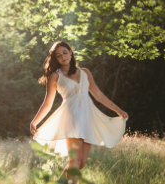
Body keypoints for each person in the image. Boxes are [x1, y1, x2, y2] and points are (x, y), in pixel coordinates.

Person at [30, 41, 128, 183]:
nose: (63, 57)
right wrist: (35, 121)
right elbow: (48, 103)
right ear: (56, 59)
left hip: (87, 119)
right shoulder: (55, 76)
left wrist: (118, 110)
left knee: (80, 163)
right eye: (58, 56)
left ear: (70, 52)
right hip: (71, 119)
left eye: (65, 52)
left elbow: (99, 95)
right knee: (75, 163)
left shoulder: (85, 73)